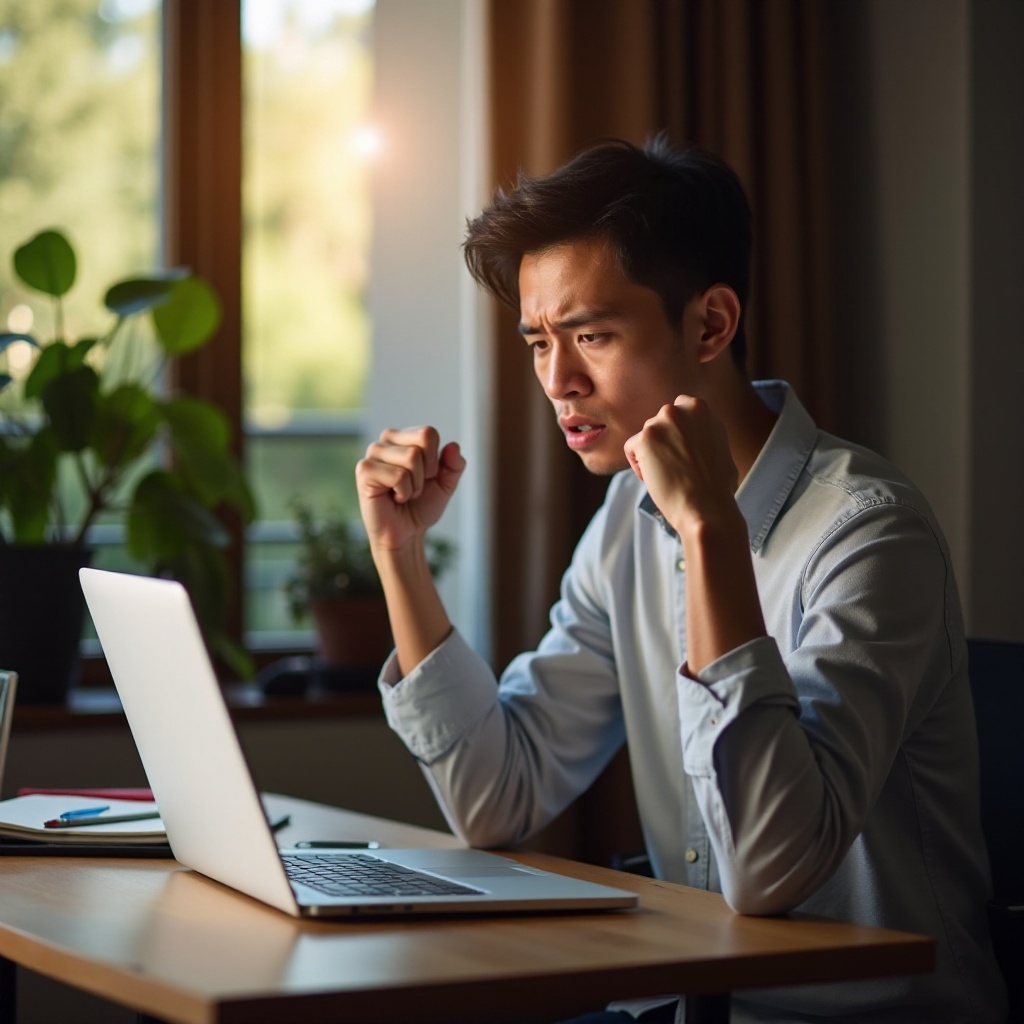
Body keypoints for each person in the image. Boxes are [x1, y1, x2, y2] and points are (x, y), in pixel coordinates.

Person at [355, 137, 1006, 1023]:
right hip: (686, 1007)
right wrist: (400, 556)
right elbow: (496, 795)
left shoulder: (869, 531)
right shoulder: (625, 523)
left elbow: (771, 865)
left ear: (710, 324)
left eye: (592, 335)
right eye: (538, 341)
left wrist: (710, 532)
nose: (558, 381)